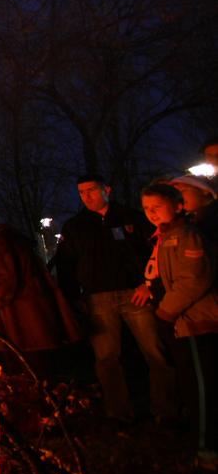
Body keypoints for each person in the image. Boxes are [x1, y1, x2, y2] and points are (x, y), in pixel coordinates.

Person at [53, 174, 172, 423]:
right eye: (81, 192)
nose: (86, 196)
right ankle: (119, 412)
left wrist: (148, 284)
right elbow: (66, 264)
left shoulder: (132, 218)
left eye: (91, 190)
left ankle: (166, 408)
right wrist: (75, 297)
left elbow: (156, 251)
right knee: (107, 359)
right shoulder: (76, 226)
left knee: (155, 352)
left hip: (135, 293)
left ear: (106, 189)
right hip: (98, 298)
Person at [136, 183, 218, 460]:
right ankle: (199, 439)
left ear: (178, 205)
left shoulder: (187, 236)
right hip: (179, 322)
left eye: (157, 207)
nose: (151, 213)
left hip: (194, 321)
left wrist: (164, 312)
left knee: (201, 387)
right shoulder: (164, 236)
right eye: (147, 209)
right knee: (190, 383)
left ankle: (207, 448)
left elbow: (193, 279)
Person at [0, 209, 80, 376]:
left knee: (33, 376)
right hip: (28, 326)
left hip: (25, 328)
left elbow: (5, 286)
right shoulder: (2, 241)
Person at [170, 175, 218, 247]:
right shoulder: (187, 222)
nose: (179, 198)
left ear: (205, 190)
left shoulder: (213, 219)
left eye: (183, 191)